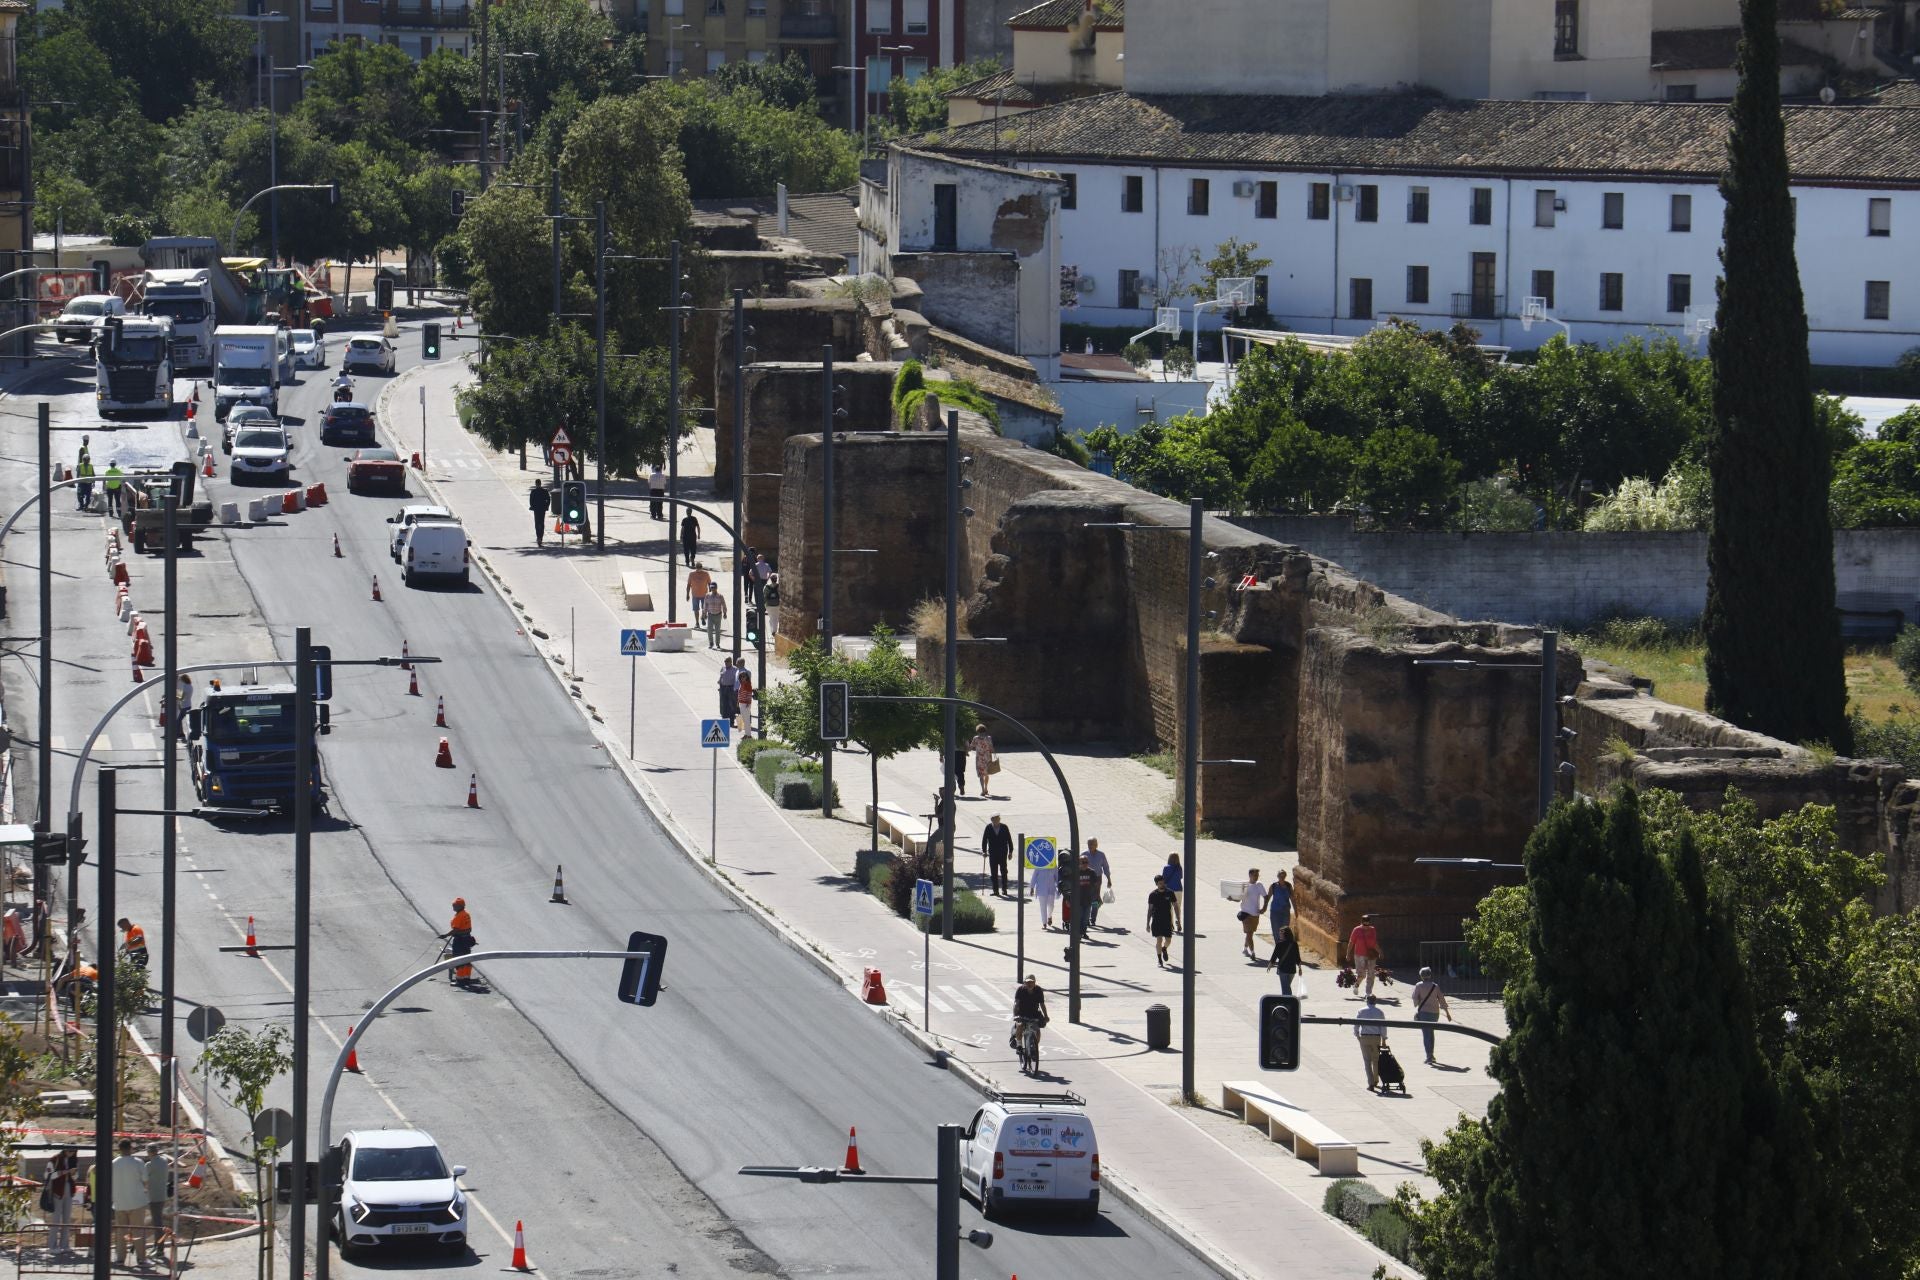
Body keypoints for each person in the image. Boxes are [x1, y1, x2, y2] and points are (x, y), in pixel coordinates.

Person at [110, 1139, 147, 1268]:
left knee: (121, 1232)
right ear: (130, 1148)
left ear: (119, 1149)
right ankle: (141, 1259)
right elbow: (145, 1180)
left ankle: (120, 1258)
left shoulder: (113, 1164)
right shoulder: (138, 1162)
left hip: (119, 1203)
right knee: (138, 1231)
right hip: (137, 1202)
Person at [1409, 966, 1454, 1064]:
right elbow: (1442, 1000)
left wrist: (1417, 1003)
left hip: (1424, 1012)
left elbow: (1414, 998)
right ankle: (1431, 1054)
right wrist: (1447, 1013)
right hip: (1435, 1013)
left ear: (1421, 976)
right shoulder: (1435, 986)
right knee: (1431, 1033)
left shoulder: (1418, 985)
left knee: (1426, 1034)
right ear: (1430, 975)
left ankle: (1429, 1056)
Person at [45, 1146, 78, 1254]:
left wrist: (74, 1174)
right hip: (57, 1191)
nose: (71, 1153)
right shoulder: (55, 1159)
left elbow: (76, 1177)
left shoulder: (74, 1160)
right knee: (56, 1219)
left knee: (67, 1218)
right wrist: (65, 1172)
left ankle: (65, 1245)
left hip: (69, 1189)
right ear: (64, 1149)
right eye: (69, 1150)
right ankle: (52, 1246)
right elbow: (47, 1175)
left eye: (74, 1151)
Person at [1011, 974, 1048, 1065]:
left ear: (1035, 983)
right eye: (1028, 982)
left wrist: (1046, 1016)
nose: (1029, 984)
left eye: (1031, 982)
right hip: (1022, 1013)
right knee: (1020, 1025)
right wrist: (1015, 1015)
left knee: (1037, 1031)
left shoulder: (1038, 990)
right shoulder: (1020, 990)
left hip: (1034, 1013)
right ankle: (1019, 1045)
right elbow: (1016, 1004)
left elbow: (1042, 1004)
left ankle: (1034, 1048)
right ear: (1024, 983)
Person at [1354, 994, 1388, 1090]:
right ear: (1375, 1001)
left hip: (1364, 1037)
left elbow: (1356, 1025)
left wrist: (1357, 1035)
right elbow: (1383, 1027)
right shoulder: (1380, 1012)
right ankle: (1376, 1080)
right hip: (1376, 1038)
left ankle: (1371, 1083)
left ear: (1367, 1001)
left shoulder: (1361, 1011)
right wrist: (1384, 1039)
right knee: (1375, 1060)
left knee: (1367, 1061)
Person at [442, 898, 475, 986]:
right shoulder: (466, 914)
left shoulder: (459, 916)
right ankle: (466, 979)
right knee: (466, 959)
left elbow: (455, 930)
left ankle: (459, 980)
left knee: (458, 959)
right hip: (467, 939)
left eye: (454, 905)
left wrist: (445, 935)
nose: (453, 906)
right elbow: (469, 929)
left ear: (460, 906)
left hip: (460, 941)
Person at [1347, 913, 1381, 997]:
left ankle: (1368, 992)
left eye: (1368, 924)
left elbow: (1374, 943)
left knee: (1371, 974)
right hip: (1359, 955)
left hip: (1371, 955)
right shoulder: (1356, 930)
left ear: (1369, 922)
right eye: (1364, 924)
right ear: (1362, 922)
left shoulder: (1372, 930)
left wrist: (1380, 951)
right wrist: (1348, 954)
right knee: (1361, 974)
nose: (1366, 926)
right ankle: (1356, 984)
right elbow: (1351, 943)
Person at [1237, 869, 1267, 961]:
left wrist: (1264, 908)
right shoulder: (1244, 885)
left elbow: (1265, 896)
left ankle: (1245, 949)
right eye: (1255, 875)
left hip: (1255, 913)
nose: (1256, 877)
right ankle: (1253, 952)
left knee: (1250, 933)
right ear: (1249, 875)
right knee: (1249, 933)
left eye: (1257, 875)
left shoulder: (1259, 885)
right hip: (1245, 913)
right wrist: (1231, 898)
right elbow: (1238, 898)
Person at [1082, 839, 1113, 928]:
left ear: (1096, 845)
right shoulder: (1084, 854)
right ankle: (1086, 919)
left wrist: (1109, 879)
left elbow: (1105, 867)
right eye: (1089, 844)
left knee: (1095, 899)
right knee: (1087, 899)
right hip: (1086, 879)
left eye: (1092, 844)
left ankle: (1093, 919)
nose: (1090, 845)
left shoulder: (1101, 855)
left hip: (1097, 879)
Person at [1146, 875, 1176, 967]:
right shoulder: (1152, 895)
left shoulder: (1170, 893)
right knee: (1159, 939)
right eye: (1159, 883)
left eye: (1163, 882)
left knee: (1168, 940)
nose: (1162, 884)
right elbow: (1150, 909)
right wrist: (1147, 923)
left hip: (1167, 920)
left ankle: (1164, 948)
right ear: (1156, 884)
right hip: (1157, 920)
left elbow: (1175, 905)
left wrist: (1178, 919)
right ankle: (1159, 960)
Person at [981, 814, 1013, 897]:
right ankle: (995, 891)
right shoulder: (988, 827)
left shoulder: (1004, 827)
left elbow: (1009, 840)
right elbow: (984, 840)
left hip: (1003, 853)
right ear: (992, 820)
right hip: (993, 853)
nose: (998, 820)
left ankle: (1004, 889)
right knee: (993, 872)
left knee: (1004, 871)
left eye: (999, 819)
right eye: (996, 819)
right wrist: (984, 851)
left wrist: (1010, 852)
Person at [143, 1146, 169, 1237]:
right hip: (162, 1195)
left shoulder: (149, 1165)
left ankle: (159, 1246)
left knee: (157, 1222)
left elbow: (144, 1179)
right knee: (158, 1219)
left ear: (149, 1152)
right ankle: (157, 1244)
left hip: (154, 1196)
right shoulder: (164, 1161)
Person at [1272, 925, 1303, 995]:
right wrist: (1300, 968)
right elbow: (1297, 957)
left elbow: (1274, 955)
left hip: (1283, 970)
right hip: (1292, 970)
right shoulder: (1294, 944)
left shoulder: (1279, 944)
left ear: (1285, 934)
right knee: (1286, 987)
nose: (1279, 935)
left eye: (1281, 934)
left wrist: (1270, 964)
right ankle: (1287, 1001)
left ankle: (1288, 1002)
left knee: (1285, 989)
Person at [1034, 852, 1060, 929]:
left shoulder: (1053, 865)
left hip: (1051, 889)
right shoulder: (1039, 865)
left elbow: (1057, 877)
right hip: (1041, 890)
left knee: (1051, 906)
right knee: (1043, 907)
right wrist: (1032, 887)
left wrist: (1059, 886)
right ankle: (1044, 923)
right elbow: (1034, 876)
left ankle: (1049, 916)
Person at [1161, 852, 1184, 932]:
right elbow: (1181, 877)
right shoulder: (1179, 868)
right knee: (1178, 907)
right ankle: (1179, 922)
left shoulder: (1166, 868)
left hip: (1169, 890)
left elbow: (1163, 879)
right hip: (1178, 889)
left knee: (1169, 908)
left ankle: (1170, 924)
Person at [970, 726, 995, 796]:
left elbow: (971, 746)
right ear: (985, 730)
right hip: (987, 758)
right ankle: (986, 788)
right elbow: (992, 748)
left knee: (981, 775)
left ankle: (983, 790)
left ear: (977, 731)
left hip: (979, 758)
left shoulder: (975, 738)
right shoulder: (989, 738)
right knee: (987, 774)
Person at [702, 583, 727, 649]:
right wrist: (704, 614)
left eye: (714, 588)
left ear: (716, 588)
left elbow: (724, 605)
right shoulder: (707, 596)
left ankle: (717, 643)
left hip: (718, 615)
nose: (713, 589)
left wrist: (725, 613)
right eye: (711, 588)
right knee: (709, 630)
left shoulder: (720, 596)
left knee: (717, 630)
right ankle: (711, 643)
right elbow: (705, 605)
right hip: (710, 615)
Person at [1268, 868, 1293, 934]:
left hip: (1285, 911)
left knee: (1285, 930)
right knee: (1276, 930)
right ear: (1278, 876)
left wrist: (1296, 911)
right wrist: (1264, 907)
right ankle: (1278, 943)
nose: (1282, 877)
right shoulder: (1273, 886)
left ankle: (1283, 943)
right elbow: (1268, 897)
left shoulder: (1288, 886)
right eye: (1280, 876)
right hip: (1275, 911)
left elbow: (1292, 898)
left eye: (1283, 876)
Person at [528, 479, 550, 546]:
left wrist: (532, 506)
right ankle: (541, 537)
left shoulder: (533, 491)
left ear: (536, 484)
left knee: (537, 523)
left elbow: (531, 501)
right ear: (540, 484)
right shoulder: (544, 491)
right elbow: (548, 499)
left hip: (536, 510)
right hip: (542, 509)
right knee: (542, 523)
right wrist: (546, 506)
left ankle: (538, 537)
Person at [719, 657, 740, 723]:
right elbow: (721, 676)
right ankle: (724, 718)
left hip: (731, 688)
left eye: (727, 662)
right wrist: (719, 682)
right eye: (725, 662)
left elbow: (737, 680)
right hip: (723, 687)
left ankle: (731, 720)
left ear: (730, 662)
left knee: (731, 704)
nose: (726, 664)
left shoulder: (735, 669)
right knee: (724, 703)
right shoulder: (723, 668)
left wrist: (736, 689)